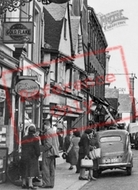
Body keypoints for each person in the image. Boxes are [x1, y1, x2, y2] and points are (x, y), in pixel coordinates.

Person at [21, 124, 40, 190]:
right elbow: (37, 150)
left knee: (24, 169)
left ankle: (23, 183)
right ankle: (30, 184)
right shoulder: (36, 139)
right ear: (34, 131)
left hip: (24, 155)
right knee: (31, 170)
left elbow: (22, 147)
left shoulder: (24, 138)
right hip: (32, 156)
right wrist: (37, 155)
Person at [41, 120, 59, 188]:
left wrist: (42, 149)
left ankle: (46, 183)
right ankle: (51, 183)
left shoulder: (47, 132)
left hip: (48, 153)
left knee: (45, 168)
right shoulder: (53, 131)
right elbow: (57, 143)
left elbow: (48, 144)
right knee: (52, 168)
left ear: (45, 125)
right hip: (54, 153)